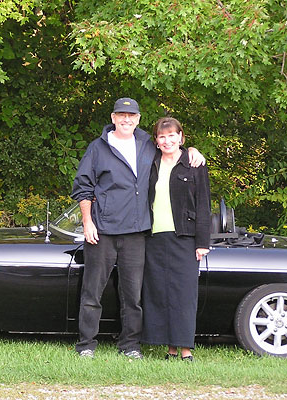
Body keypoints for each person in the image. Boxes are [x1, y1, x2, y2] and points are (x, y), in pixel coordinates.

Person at [71, 98, 205, 359]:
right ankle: (86, 345)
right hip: (102, 231)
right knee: (92, 293)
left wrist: (193, 150)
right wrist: (87, 222)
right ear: (112, 118)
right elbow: (83, 187)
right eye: (121, 115)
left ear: (138, 119)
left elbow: (172, 152)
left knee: (133, 296)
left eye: (131, 115)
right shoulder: (98, 148)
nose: (126, 119)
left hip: (137, 233)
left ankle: (130, 346)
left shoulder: (146, 144)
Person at [141, 117, 211, 362]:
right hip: (154, 238)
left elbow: (204, 204)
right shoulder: (150, 163)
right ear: (156, 141)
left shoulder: (194, 164)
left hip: (185, 238)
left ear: (181, 137)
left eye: (172, 135)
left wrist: (203, 242)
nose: (167, 140)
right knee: (159, 292)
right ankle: (169, 348)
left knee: (183, 294)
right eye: (162, 136)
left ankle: (185, 350)